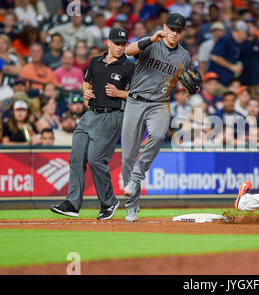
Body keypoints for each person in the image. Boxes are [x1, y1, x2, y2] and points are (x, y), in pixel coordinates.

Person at [49, 28, 135, 221]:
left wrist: (119, 93)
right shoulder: (95, 62)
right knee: (76, 157)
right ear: (108, 43)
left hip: (111, 116)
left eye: (123, 44)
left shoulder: (129, 67)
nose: (121, 47)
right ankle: (72, 204)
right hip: (89, 114)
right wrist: (86, 95)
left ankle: (108, 202)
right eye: (117, 43)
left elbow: (138, 95)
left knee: (96, 159)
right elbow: (87, 83)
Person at [121, 13, 195, 222]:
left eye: (179, 30)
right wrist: (149, 39)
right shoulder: (152, 44)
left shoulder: (184, 57)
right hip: (135, 101)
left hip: (159, 103)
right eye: (172, 28)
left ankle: (136, 178)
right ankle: (132, 207)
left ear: (183, 33)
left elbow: (188, 81)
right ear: (164, 27)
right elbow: (128, 51)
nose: (174, 33)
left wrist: (193, 87)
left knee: (158, 135)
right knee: (127, 157)